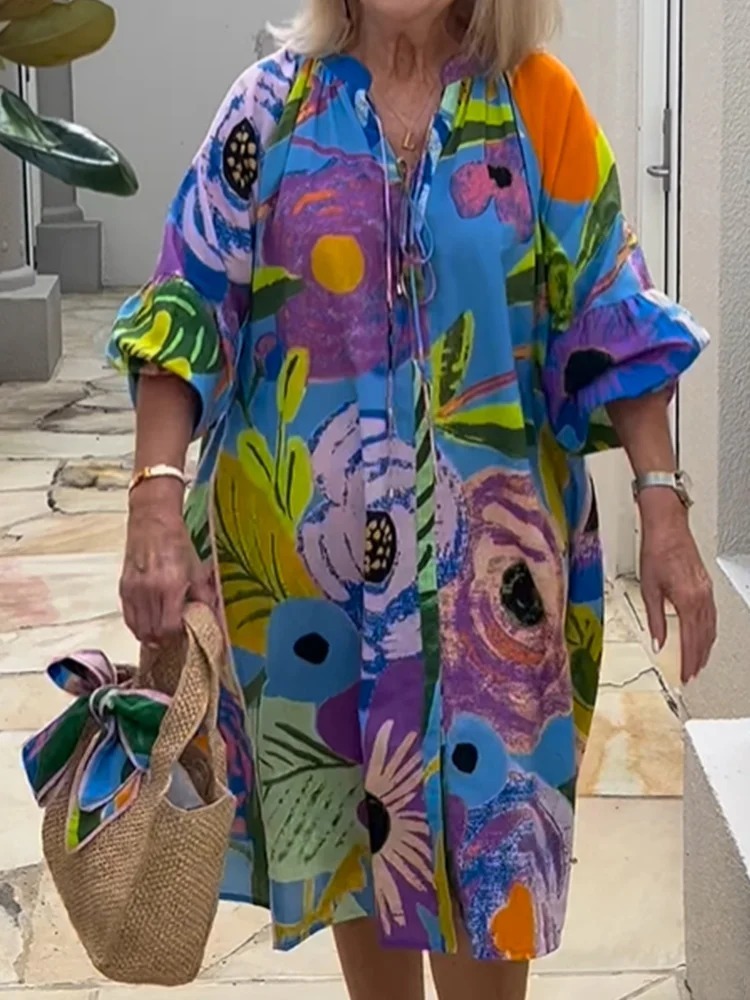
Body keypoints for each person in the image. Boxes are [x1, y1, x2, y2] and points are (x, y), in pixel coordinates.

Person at [108, 0, 717, 996]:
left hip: (494, 605)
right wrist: (153, 501)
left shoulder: (537, 106)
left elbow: (609, 306)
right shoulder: (268, 109)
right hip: (312, 598)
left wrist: (662, 502)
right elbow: (185, 306)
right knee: (360, 865)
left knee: (493, 892)